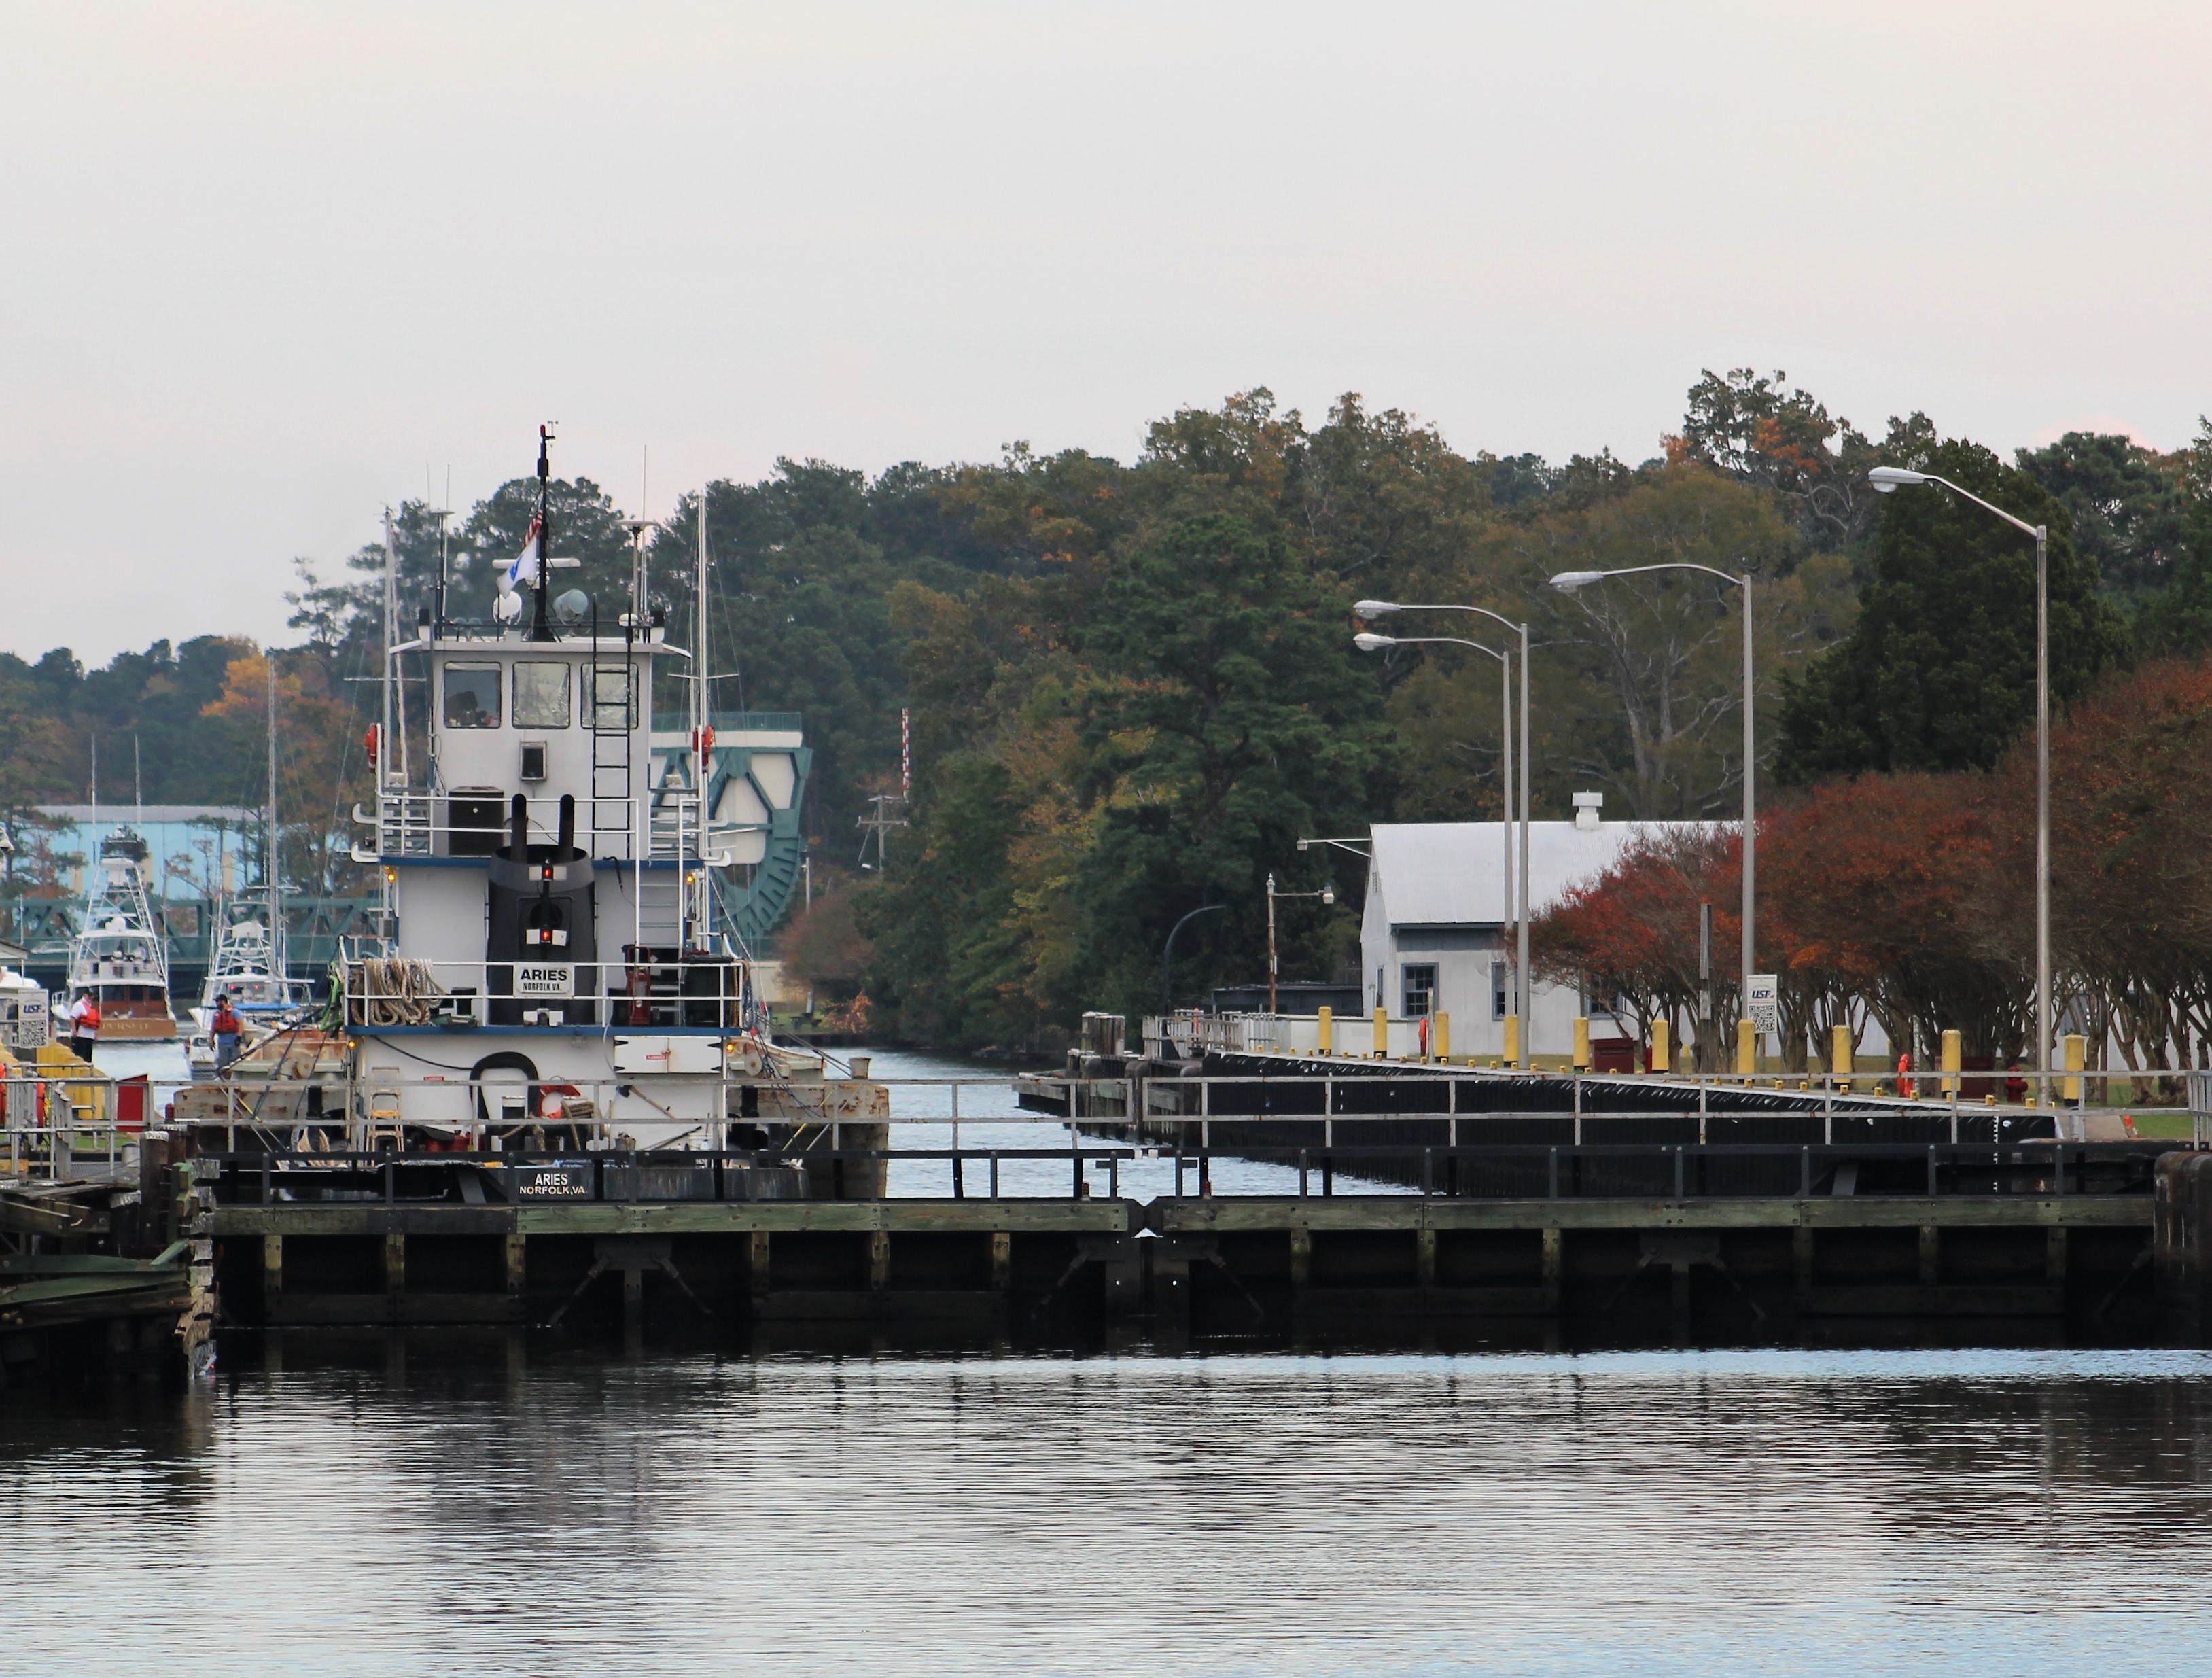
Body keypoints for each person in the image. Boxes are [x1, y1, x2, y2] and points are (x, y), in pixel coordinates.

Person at [65, 990, 100, 1062]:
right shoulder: (79, 1005)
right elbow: (72, 1018)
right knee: (80, 1057)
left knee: (88, 1059)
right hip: (80, 1036)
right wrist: (74, 1031)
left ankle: (88, 1072)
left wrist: (95, 1034)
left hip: (90, 1036)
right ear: (84, 995)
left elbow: (95, 1023)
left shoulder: (91, 1007)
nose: (91, 997)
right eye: (89, 995)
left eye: (92, 996)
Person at [211, 992, 242, 1072]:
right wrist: (211, 1040)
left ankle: (234, 1078)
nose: (216, 1004)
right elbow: (213, 1029)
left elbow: (241, 1025)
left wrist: (239, 1037)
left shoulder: (234, 1012)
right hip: (222, 1042)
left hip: (233, 1041)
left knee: (235, 1062)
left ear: (222, 1002)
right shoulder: (216, 1015)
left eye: (217, 1002)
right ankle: (225, 1080)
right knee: (223, 1063)